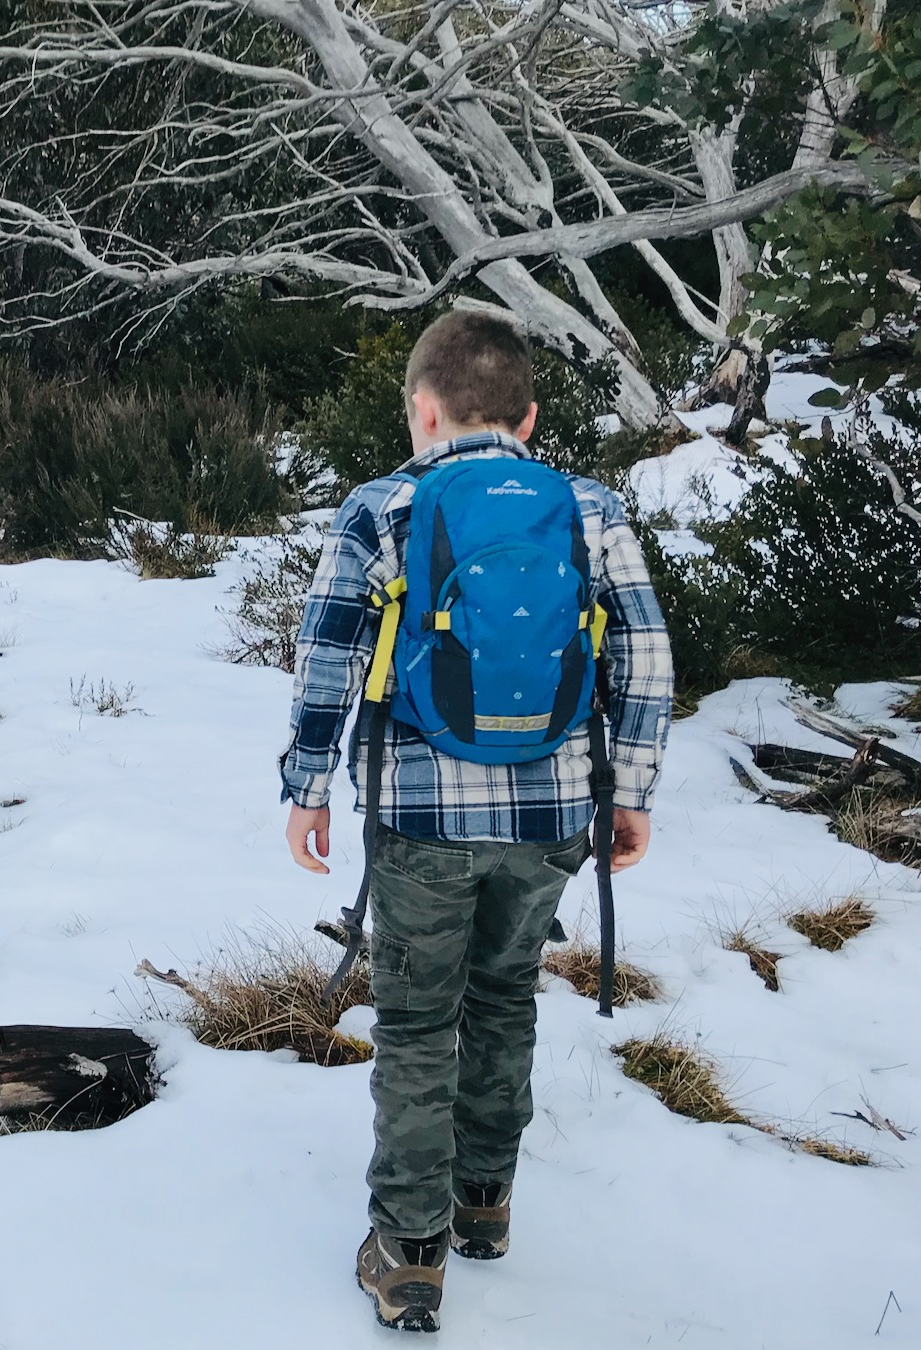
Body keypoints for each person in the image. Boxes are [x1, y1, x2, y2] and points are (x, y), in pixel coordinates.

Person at [277, 310, 673, 1333]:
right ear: (528, 417)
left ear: (422, 409)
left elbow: (326, 653)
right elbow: (645, 658)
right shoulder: (589, 508)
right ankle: (484, 1204)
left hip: (419, 817)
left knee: (417, 1023)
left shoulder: (382, 507)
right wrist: (628, 793)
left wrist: (307, 782)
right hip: (549, 811)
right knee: (504, 998)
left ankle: (410, 1252)